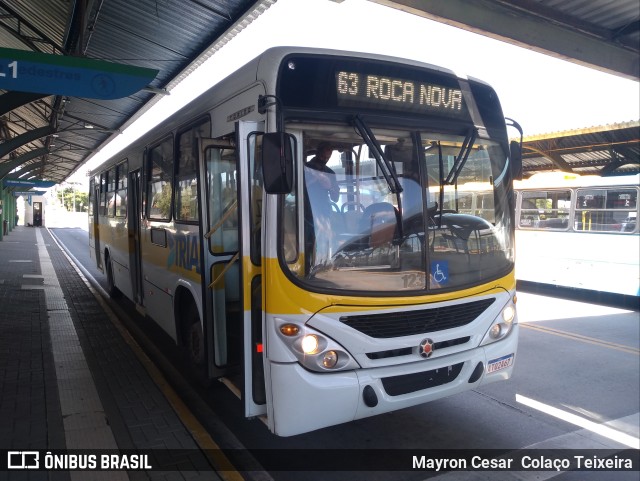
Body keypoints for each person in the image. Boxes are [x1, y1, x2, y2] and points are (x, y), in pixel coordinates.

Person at [304, 143, 340, 272]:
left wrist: (329, 186)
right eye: (323, 156)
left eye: (328, 157)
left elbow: (336, 197)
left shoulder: (330, 173)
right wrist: (316, 179)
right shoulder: (305, 168)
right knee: (308, 240)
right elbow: (295, 190)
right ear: (317, 152)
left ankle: (324, 264)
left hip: (324, 210)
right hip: (306, 210)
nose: (325, 159)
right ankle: (308, 266)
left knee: (326, 239)